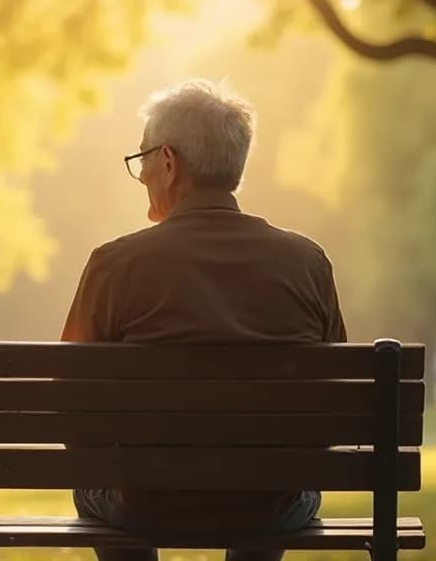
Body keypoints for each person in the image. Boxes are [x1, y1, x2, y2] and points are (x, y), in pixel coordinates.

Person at [61, 79, 346, 561]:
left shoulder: (115, 264)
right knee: (269, 494)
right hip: (266, 504)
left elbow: (69, 401)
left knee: (99, 488)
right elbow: (334, 403)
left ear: (168, 163)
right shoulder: (305, 262)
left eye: (143, 160)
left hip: (146, 504)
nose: (143, 174)